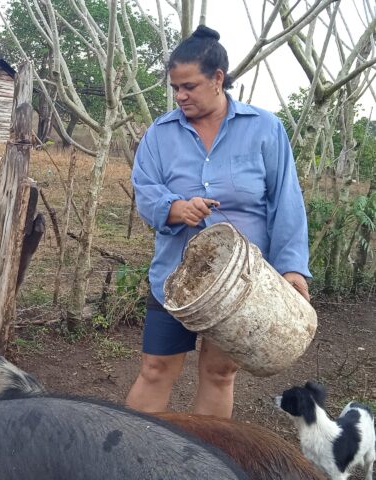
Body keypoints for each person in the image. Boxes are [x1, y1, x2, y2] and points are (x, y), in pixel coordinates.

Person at [126, 25, 311, 419]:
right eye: (175, 87)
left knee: (219, 373)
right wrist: (175, 208)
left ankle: (204, 463)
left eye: (189, 86)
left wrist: (292, 268)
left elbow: (286, 202)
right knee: (155, 368)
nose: (180, 96)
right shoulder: (160, 134)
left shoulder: (265, 129)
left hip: (243, 285)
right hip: (176, 280)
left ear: (218, 79)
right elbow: (145, 189)